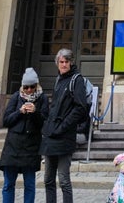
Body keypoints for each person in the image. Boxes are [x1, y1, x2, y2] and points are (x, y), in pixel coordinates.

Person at [40, 48, 89, 203]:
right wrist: (47, 127)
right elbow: (54, 107)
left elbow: (80, 108)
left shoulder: (77, 80)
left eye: (66, 61)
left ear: (71, 62)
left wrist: (62, 127)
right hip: (51, 136)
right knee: (48, 179)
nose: (64, 65)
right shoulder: (58, 79)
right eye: (61, 62)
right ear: (57, 63)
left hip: (64, 136)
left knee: (64, 180)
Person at [0, 67, 49, 203]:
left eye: (32, 87)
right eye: (26, 87)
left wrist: (35, 112)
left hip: (31, 147)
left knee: (30, 185)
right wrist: (20, 112)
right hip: (13, 146)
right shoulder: (16, 96)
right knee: (8, 184)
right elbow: (6, 120)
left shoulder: (43, 98)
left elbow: (44, 123)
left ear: (36, 85)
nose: (29, 90)